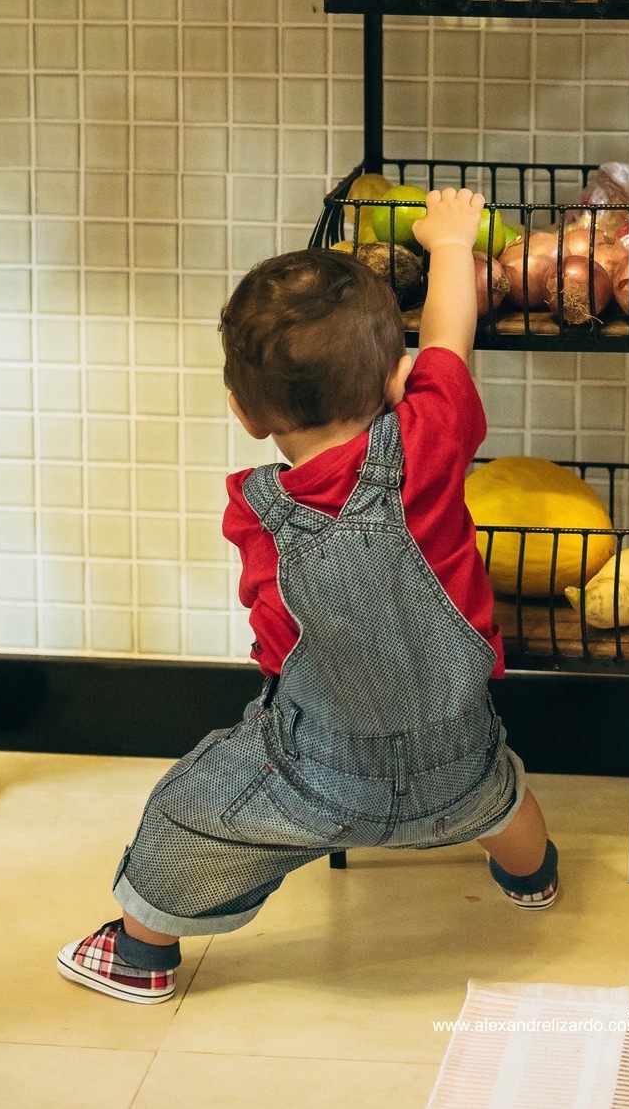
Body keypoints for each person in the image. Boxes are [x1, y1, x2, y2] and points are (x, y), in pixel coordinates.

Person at [57, 188, 556, 1004]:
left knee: (187, 812)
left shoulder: (260, 513)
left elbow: (276, 640)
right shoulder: (432, 438)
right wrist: (451, 244)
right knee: (504, 797)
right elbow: (449, 340)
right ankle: (533, 878)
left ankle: (139, 955)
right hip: (457, 747)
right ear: (400, 379)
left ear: (244, 414)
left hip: (317, 774)